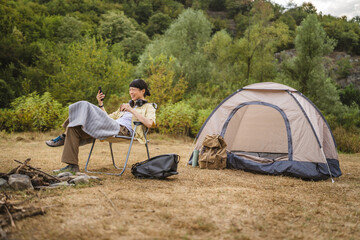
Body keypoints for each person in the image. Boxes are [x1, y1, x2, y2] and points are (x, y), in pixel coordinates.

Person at [46, 79, 156, 172]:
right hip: (110, 126)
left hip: (123, 130)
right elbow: (106, 118)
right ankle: (72, 166)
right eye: (129, 90)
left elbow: (150, 124)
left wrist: (131, 110)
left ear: (142, 91)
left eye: (133, 90)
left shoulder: (148, 107)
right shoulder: (125, 107)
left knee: (84, 104)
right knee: (73, 128)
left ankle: (63, 137)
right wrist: (100, 103)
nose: (131, 92)